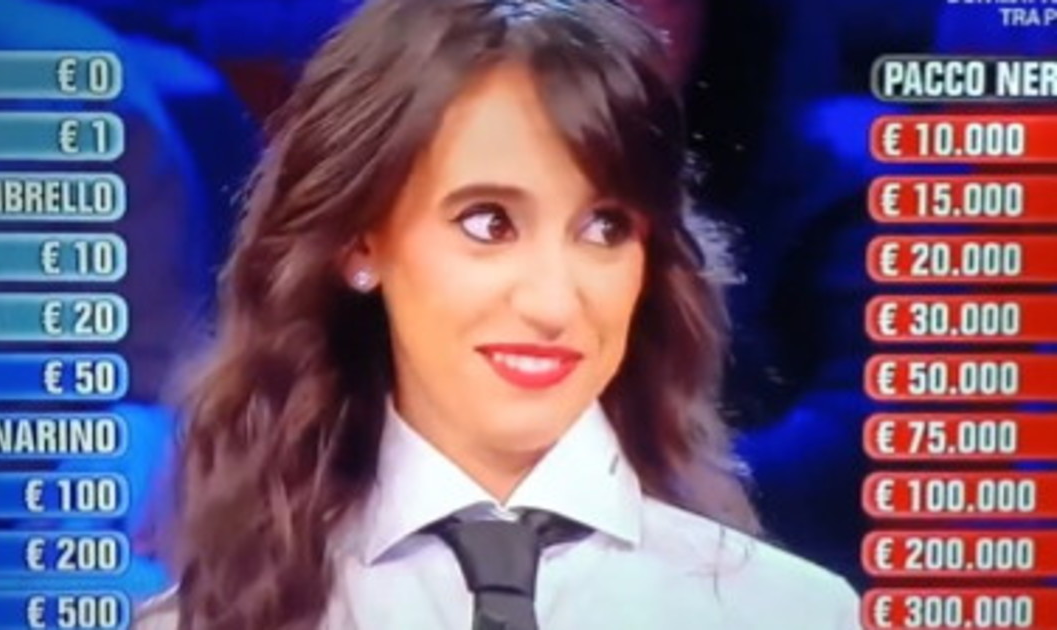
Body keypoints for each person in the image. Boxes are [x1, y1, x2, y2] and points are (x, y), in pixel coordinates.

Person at [134, 0, 861, 628]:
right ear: (361, 243)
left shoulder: (794, 614)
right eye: (488, 223)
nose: (553, 302)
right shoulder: (204, 620)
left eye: (604, 228)